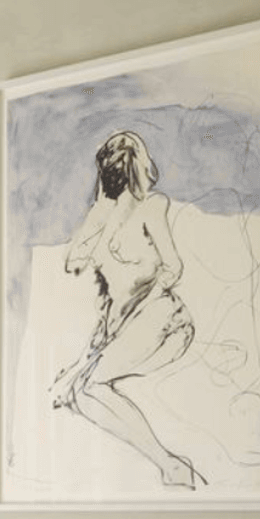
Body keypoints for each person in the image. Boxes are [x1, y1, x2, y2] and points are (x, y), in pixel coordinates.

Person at [52, 129, 203, 489]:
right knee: (75, 393)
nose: (116, 171)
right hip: (122, 324)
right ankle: (171, 467)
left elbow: (173, 268)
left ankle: (171, 466)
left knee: (91, 389)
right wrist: (100, 214)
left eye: (122, 163)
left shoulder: (153, 206)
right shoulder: (101, 215)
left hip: (163, 317)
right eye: (110, 166)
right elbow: (73, 261)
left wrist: (139, 307)